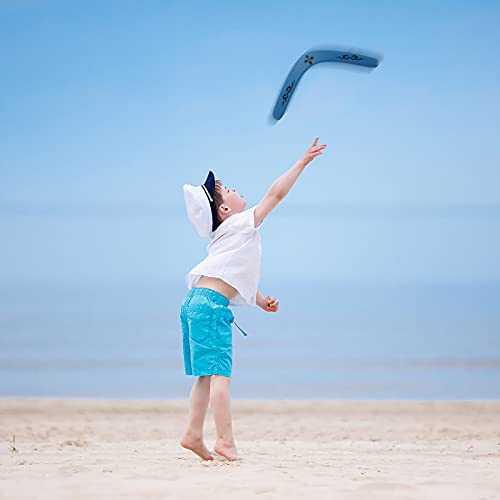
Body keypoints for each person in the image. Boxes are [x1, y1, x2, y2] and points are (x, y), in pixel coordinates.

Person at [179, 137, 327, 461]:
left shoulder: (223, 234)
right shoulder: (241, 223)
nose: (234, 188)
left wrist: (259, 300)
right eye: (228, 188)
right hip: (210, 305)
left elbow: (232, 273)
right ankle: (225, 441)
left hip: (194, 302)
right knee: (220, 375)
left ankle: (193, 432)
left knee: (206, 373)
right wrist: (302, 162)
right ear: (225, 209)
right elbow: (275, 194)